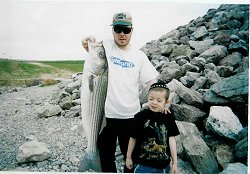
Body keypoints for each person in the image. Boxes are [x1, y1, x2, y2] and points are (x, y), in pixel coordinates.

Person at [81, 12, 159, 172]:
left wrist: (158, 100)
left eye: (126, 29)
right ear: (112, 30)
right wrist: (87, 40)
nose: (122, 34)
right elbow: (91, 44)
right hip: (104, 118)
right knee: (106, 159)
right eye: (118, 29)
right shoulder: (106, 46)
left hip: (131, 117)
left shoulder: (139, 56)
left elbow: (152, 81)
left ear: (132, 30)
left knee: (130, 159)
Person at [126, 81, 180, 173]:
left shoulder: (168, 117)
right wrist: (128, 157)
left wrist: (175, 163)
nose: (154, 103)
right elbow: (132, 138)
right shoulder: (140, 117)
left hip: (163, 166)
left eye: (159, 100)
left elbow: (172, 140)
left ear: (166, 102)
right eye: (151, 99)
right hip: (142, 165)